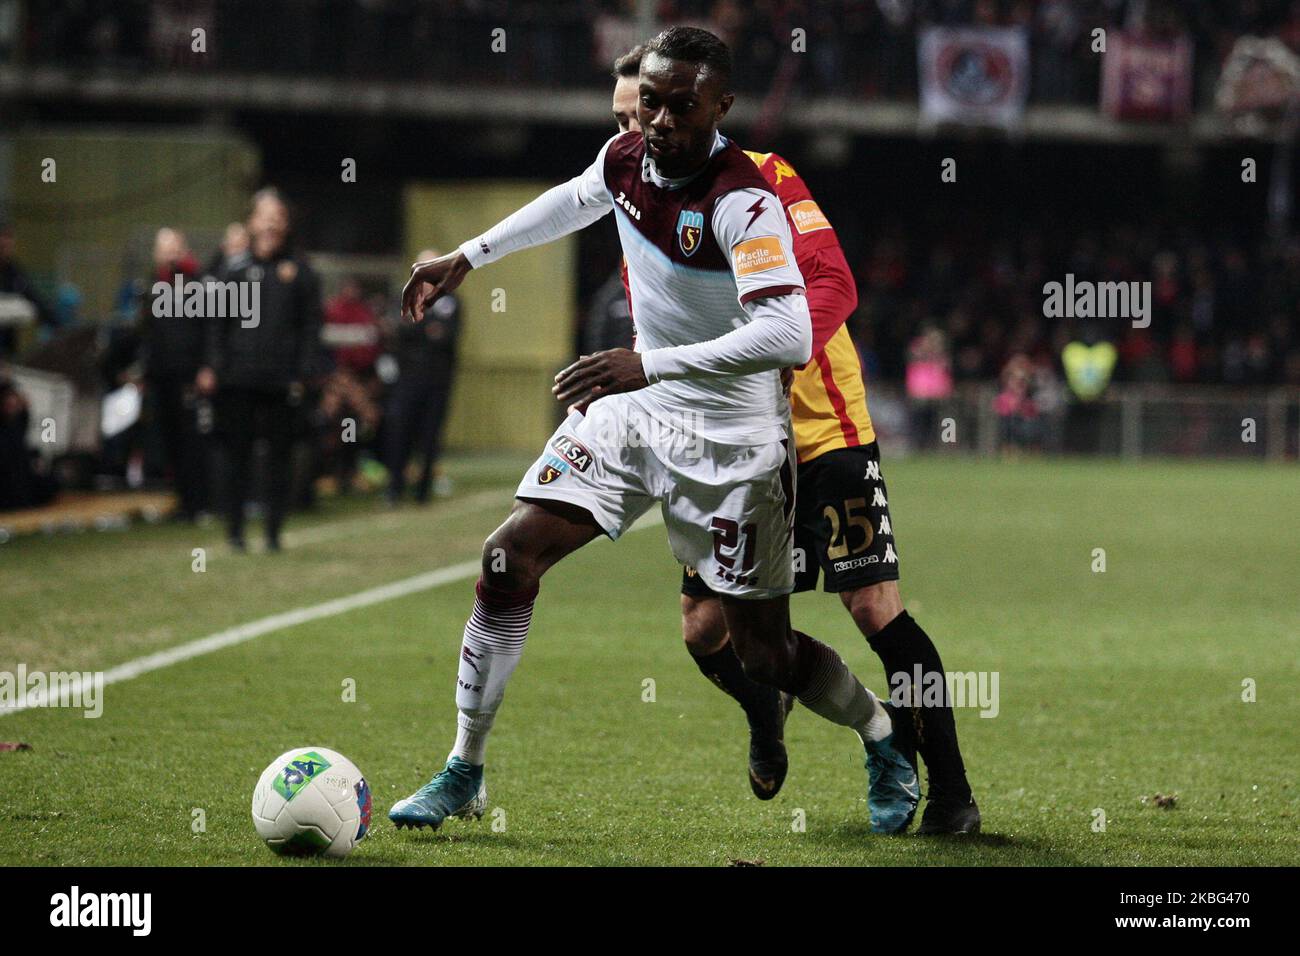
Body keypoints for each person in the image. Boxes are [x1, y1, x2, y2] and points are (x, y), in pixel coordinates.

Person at [389, 27, 918, 836]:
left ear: (721, 107)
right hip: (635, 414)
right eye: (650, 103)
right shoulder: (624, 158)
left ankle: (878, 732)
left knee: (763, 655)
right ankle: (465, 769)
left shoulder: (744, 201)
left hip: (734, 441)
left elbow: (787, 337)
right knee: (506, 560)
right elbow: (572, 198)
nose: (659, 121)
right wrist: (469, 255)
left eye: (680, 106)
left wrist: (653, 364)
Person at [610, 45, 978, 833]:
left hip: (820, 429)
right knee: (709, 630)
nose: (640, 129)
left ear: (701, 107)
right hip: (730, 447)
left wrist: (781, 353)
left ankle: (950, 791)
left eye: (649, 111)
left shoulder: (764, 180)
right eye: (626, 118)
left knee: (873, 604)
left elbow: (836, 284)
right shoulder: (636, 200)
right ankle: (767, 716)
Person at [199, 188, 322, 552]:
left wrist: (303, 370)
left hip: (282, 380)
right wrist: (211, 366)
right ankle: (235, 532)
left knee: (279, 457)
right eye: (264, 215)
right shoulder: (233, 270)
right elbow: (216, 324)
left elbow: (311, 327)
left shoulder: (301, 273)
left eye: (277, 216)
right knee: (236, 455)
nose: (270, 223)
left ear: (286, 223)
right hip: (237, 379)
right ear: (251, 222)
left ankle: (272, 532)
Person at [139, 228, 208, 520]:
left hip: (189, 376)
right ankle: (182, 500)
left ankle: (198, 503)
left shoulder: (199, 285)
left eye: (173, 247)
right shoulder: (152, 287)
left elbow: (208, 330)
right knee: (168, 440)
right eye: (163, 248)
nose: (168, 254)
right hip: (161, 376)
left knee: (190, 440)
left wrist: (206, 367)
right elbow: (147, 333)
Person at [385, 249, 461, 505]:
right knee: (400, 434)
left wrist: (420, 329)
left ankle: (423, 491)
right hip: (407, 379)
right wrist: (425, 330)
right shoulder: (407, 295)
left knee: (430, 438)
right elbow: (399, 332)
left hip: (438, 381)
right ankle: (394, 488)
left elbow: (446, 337)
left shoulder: (451, 300)